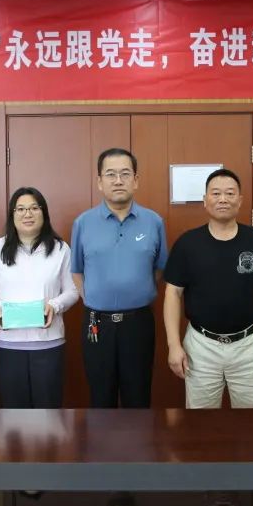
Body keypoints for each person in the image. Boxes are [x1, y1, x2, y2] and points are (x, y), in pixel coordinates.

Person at [163, 169, 253, 409]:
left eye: (230, 193)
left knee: (250, 419)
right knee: (201, 421)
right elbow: (172, 294)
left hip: (249, 345)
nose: (223, 199)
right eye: (216, 193)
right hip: (201, 346)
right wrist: (174, 345)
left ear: (240, 200)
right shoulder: (187, 243)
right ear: (205, 200)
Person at [71, 148, 168, 408]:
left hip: (138, 323)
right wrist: (94, 299)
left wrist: (135, 290)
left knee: (138, 398)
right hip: (97, 324)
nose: (118, 181)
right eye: (110, 174)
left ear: (136, 180)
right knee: (101, 399)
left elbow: (159, 269)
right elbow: (77, 271)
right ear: (99, 181)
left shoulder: (154, 222)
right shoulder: (83, 223)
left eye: (125, 174)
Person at [0, 187, 79, 408]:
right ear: (12, 214)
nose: (28, 214)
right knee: (14, 412)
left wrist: (54, 305)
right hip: (7, 345)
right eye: (21, 209)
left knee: (48, 410)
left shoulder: (60, 249)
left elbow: (73, 291)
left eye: (34, 208)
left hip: (48, 343)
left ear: (44, 213)